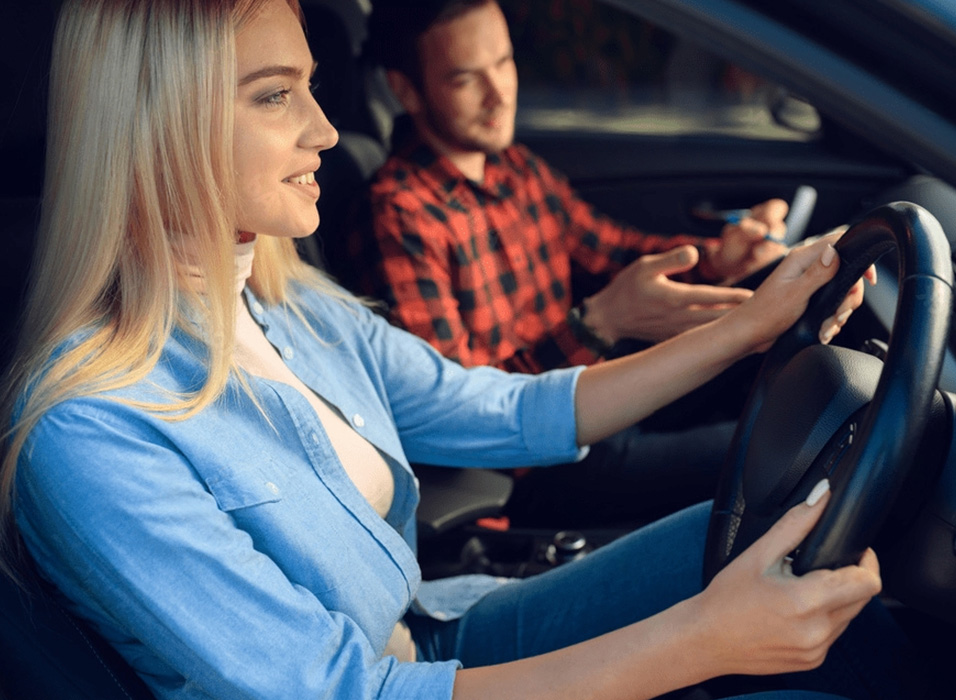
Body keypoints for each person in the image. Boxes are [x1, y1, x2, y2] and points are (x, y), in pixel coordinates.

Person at [0, 0, 934, 698]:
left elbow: (507, 407)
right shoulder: (92, 434)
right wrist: (705, 642)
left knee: (764, 541)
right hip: (400, 683)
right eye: (276, 96)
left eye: (312, 87)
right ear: (160, 123)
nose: (325, 129)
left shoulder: (293, 304)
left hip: (438, 633)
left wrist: (746, 328)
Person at [338, 0, 795, 527]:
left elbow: (616, 250)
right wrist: (596, 325)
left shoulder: (515, 168)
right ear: (406, 91)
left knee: (778, 366)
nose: (499, 93)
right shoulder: (398, 214)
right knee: (781, 445)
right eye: (465, 79)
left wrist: (717, 257)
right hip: (532, 466)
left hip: (601, 392)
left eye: (504, 63)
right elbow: (458, 413)